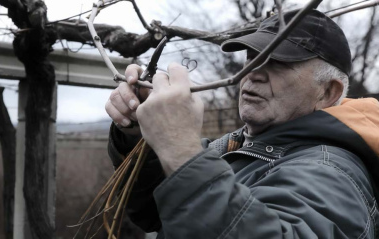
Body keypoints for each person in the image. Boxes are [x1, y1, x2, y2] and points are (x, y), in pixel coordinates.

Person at [105, 9, 379, 239]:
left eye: (279, 62)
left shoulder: (330, 173)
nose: (253, 73)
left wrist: (180, 148)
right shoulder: (247, 146)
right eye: (252, 57)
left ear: (328, 92)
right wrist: (139, 134)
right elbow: (153, 211)